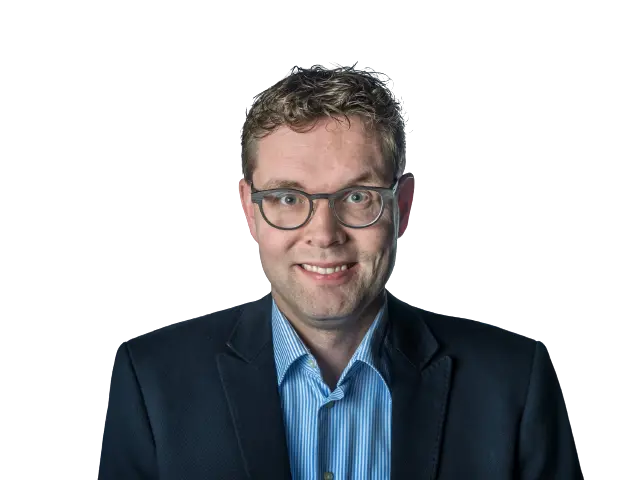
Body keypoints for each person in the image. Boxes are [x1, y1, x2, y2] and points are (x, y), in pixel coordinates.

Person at [98, 62, 582, 479]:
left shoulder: (514, 381)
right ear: (249, 211)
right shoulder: (151, 379)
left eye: (356, 196)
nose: (325, 234)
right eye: (288, 198)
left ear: (403, 207)